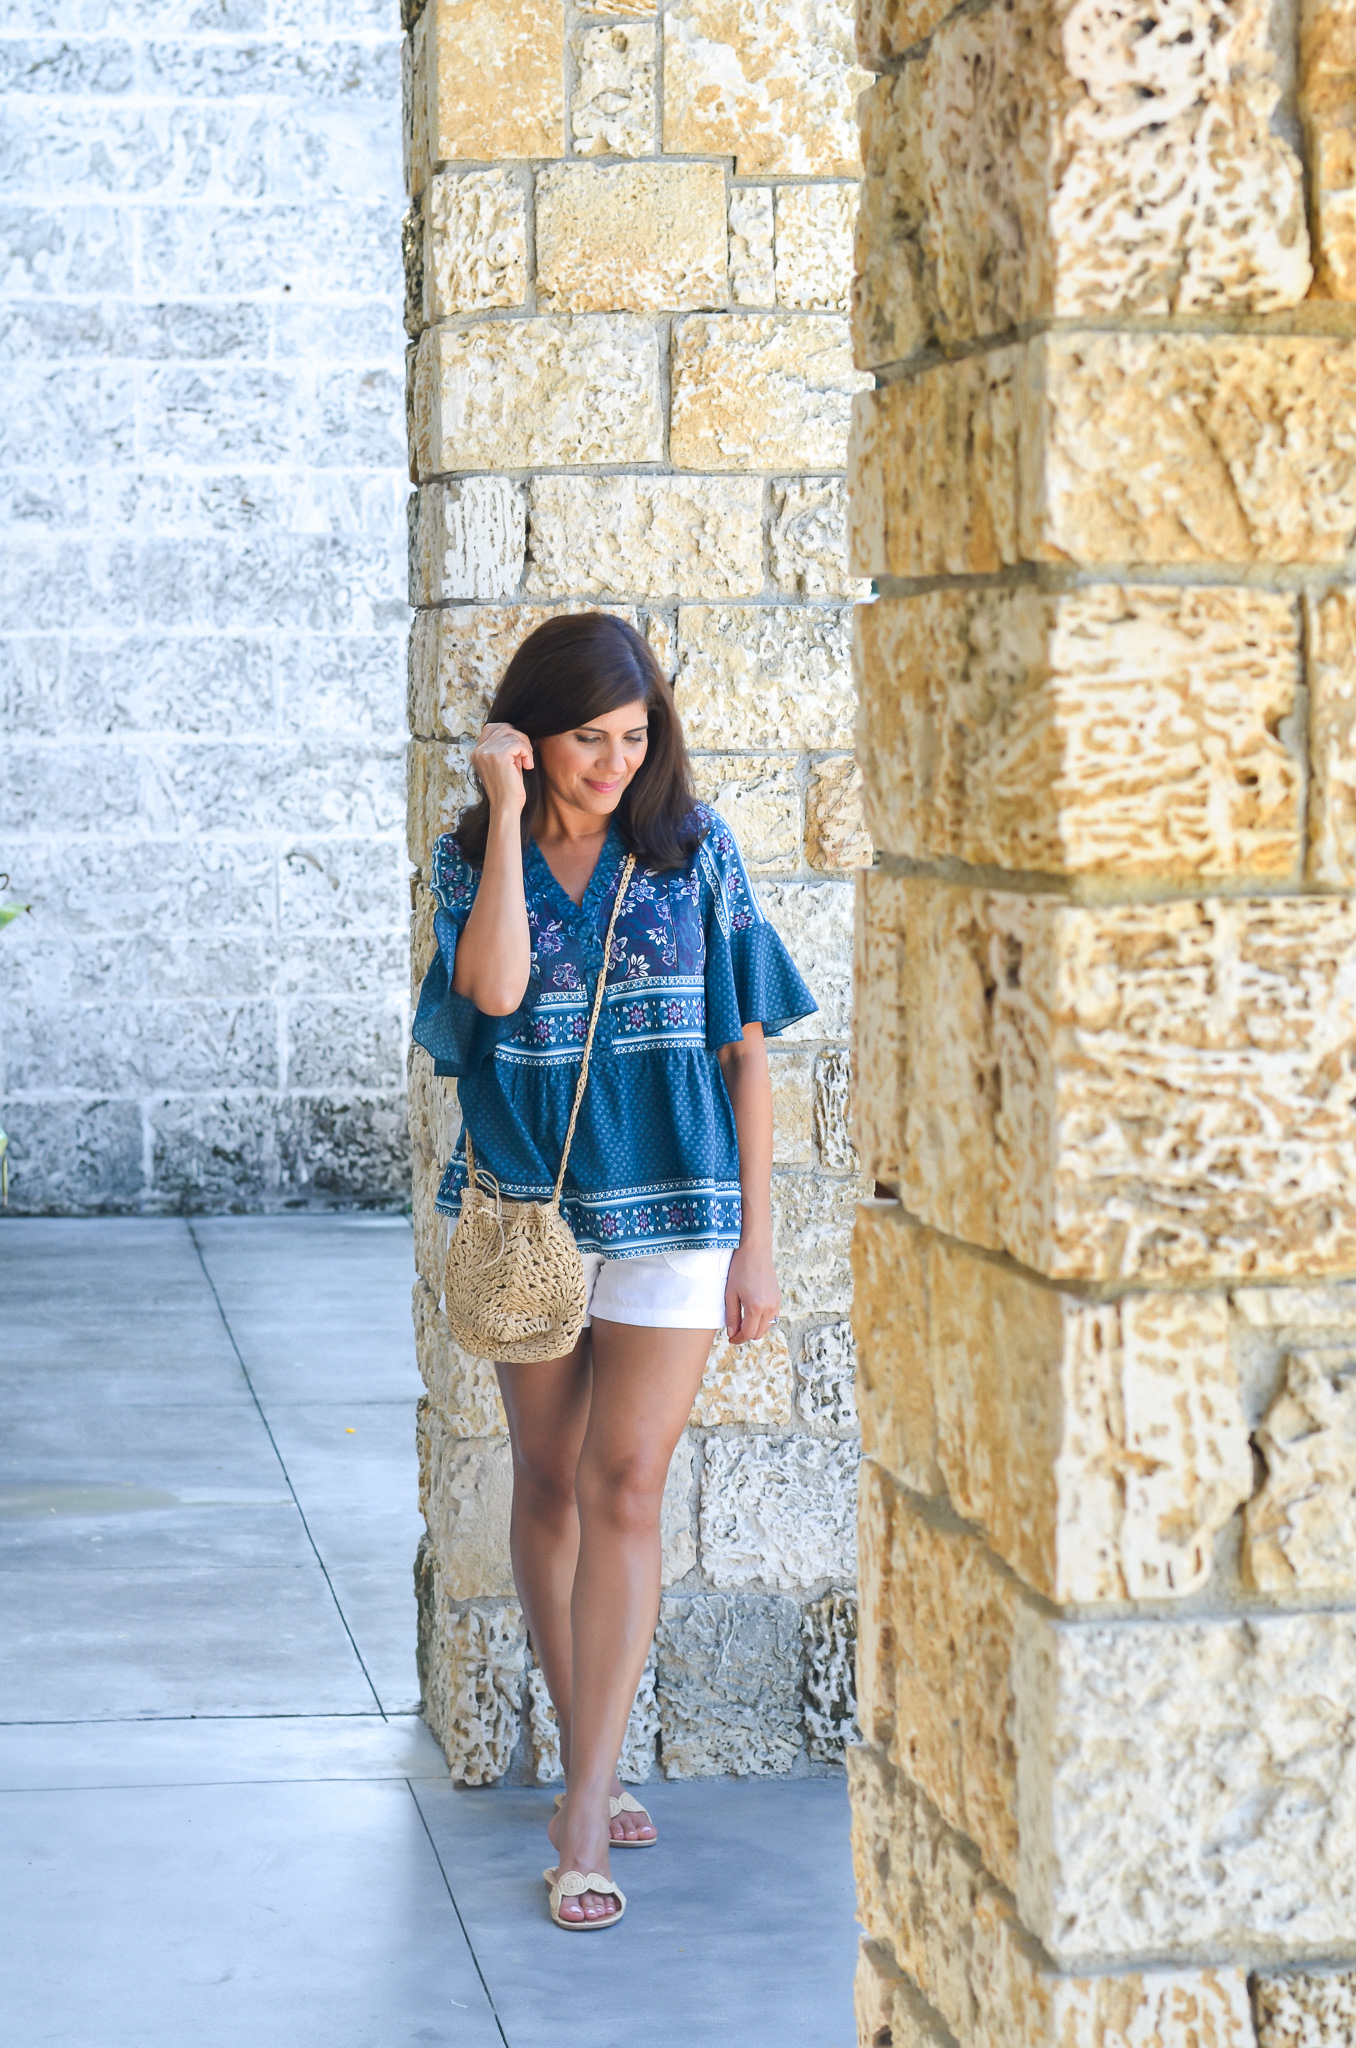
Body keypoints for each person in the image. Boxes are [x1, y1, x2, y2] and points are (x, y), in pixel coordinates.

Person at [411, 611, 816, 1930]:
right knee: (546, 1480)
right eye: (590, 738)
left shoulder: (695, 853)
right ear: (536, 734)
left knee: (626, 1485)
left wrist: (760, 1237)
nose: (613, 763)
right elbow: (491, 994)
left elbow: (749, 1056)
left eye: (634, 739)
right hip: (533, 1211)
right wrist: (507, 810)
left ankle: (586, 1801)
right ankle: (583, 1725)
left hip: (679, 1210)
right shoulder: (475, 854)